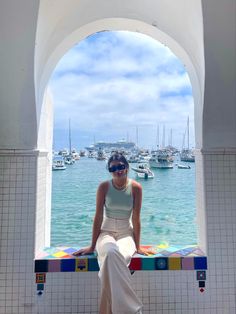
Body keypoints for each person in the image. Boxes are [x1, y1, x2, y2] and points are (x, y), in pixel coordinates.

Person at [73, 152, 149, 314]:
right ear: (109, 169)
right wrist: (92, 246)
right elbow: (98, 217)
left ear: (127, 168)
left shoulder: (136, 188)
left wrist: (138, 246)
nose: (117, 170)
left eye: (120, 166)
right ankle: (131, 309)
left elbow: (136, 219)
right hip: (106, 233)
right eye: (113, 167)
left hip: (125, 234)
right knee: (112, 252)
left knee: (115, 259)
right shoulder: (104, 187)